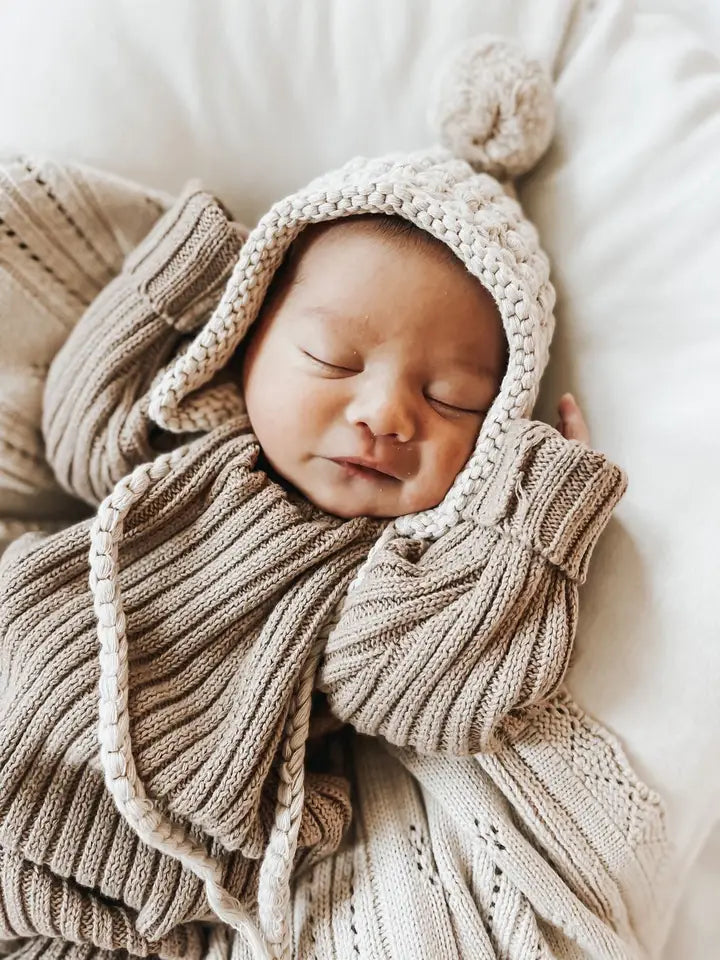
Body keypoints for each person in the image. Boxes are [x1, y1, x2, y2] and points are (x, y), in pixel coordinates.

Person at [0, 35, 669, 960]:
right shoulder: (197, 442)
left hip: (120, 866)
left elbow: (422, 695)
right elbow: (76, 440)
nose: (387, 414)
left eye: (451, 400)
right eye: (333, 360)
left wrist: (529, 527)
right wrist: (175, 283)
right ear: (250, 336)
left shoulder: (383, 571)